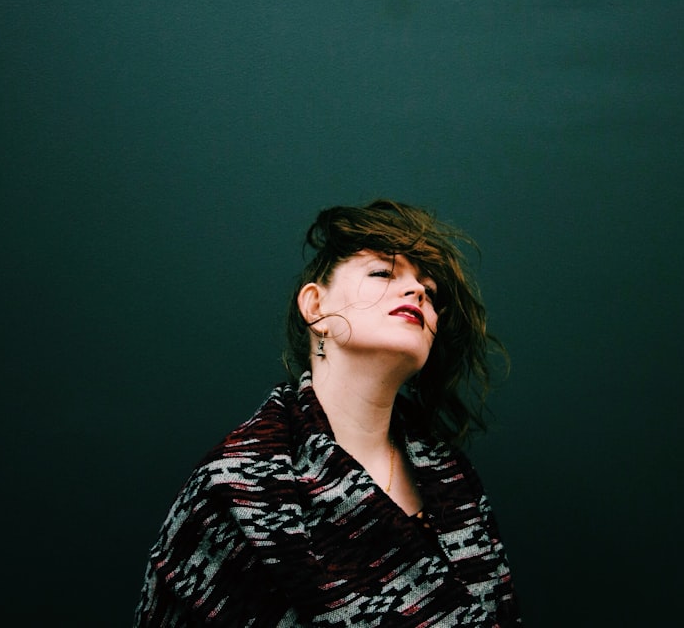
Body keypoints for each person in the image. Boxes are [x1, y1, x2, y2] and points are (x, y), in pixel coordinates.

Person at [134, 200, 520, 626]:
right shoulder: (235, 488)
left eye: (430, 292)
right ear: (315, 307)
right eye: (383, 273)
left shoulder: (454, 479)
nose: (416, 292)